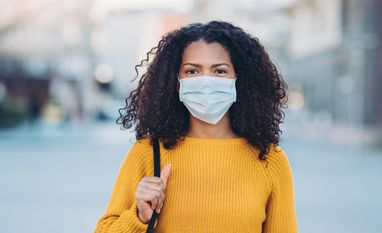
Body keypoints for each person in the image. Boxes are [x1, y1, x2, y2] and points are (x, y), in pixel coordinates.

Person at [94, 20, 298, 233]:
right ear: (175, 81)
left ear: (239, 79)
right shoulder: (148, 153)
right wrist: (140, 216)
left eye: (219, 71)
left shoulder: (270, 160)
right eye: (192, 71)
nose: (206, 81)